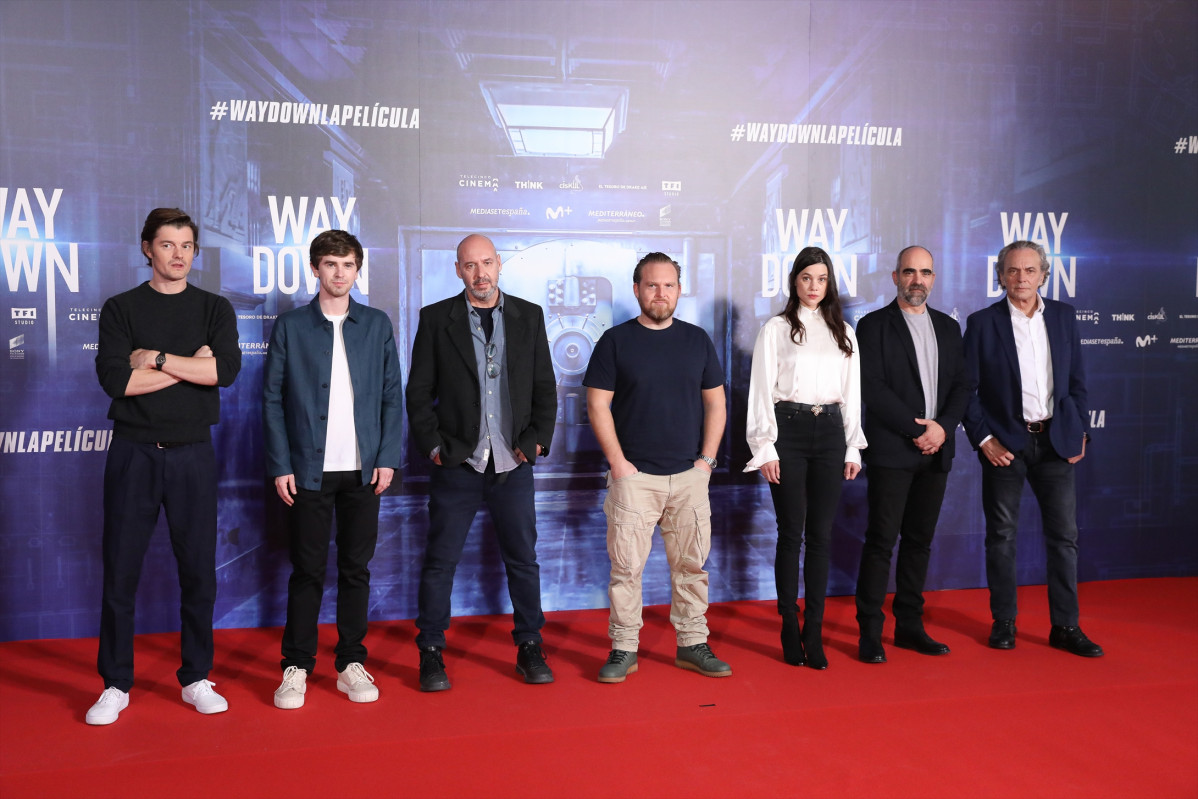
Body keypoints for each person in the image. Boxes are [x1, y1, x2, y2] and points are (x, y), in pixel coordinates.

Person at [88, 207, 241, 725]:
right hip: (133, 452)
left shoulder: (214, 307)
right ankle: (115, 683)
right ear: (147, 248)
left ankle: (196, 676)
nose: (178, 255)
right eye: (168, 244)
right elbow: (117, 382)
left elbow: (224, 372)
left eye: (186, 246)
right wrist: (191, 365)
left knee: (198, 571)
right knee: (120, 572)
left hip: (193, 453)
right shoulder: (121, 308)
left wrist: (154, 359)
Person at [406, 233, 557, 691]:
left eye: (487, 263)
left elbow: (545, 387)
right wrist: (435, 447)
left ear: (499, 264)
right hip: (459, 464)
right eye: (470, 265)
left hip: (513, 463)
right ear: (458, 270)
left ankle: (530, 645)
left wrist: (537, 442)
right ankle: (431, 651)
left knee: (523, 561)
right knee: (440, 562)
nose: (480, 274)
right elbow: (418, 393)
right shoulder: (436, 319)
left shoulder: (529, 316)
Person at [263, 229, 402, 709]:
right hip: (308, 470)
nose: (339, 273)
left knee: (355, 569)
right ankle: (297, 666)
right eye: (330, 264)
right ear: (315, 269)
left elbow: (391, 395)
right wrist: (281, 463)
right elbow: (272, 399)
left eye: (347, 265)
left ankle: (350, 663)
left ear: (357, 270)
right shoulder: (291, 326)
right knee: (306, 570)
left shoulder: (377, 324)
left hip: (363, 471)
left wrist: (387, 457)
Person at [584, 252, 729, 683]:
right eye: (652, 285)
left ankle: (692, 644)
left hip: (689, 477)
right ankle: (623, 648)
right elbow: (597, 404)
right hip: (634, 479)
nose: (660, 293)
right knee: (626, 570)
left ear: (679, 290)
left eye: (668, 285)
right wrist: (618, 464)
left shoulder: (697, 340)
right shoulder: (615, 341)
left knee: (691, 567)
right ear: (637, 290)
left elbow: (716, 403)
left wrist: (706, 463)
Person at [963, 240, 1102, 657]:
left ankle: (1066, 626)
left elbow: (1077, 382)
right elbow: (966, 390)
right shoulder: (982, 323)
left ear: (1043, 275)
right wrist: (984, 439)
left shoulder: (1063, 316)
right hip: (1006, 445)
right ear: (1000, 276)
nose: (1020, 278)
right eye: (1012, 270)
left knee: (1064, 538)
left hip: (1056, 443)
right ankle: (1004, 621)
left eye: (1029, 270)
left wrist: (1078, 431)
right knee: (1001, 536)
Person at [745, 246, 865, 670]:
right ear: (794, 281)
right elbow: (760, 390)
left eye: (822, 279)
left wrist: (853, 446)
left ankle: (813, 631)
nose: (814, 286)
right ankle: (787, 626)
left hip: (831, 432)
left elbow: (852, 393)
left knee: (821, 536)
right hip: (788, 430)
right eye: (806, 278)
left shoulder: (843, 332)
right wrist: (765, 447)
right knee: (790, 532)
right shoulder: (776, 329)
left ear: (829, 284)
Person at [853, 246, 969, 664]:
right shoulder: (872, 326)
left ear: (933, 278)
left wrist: (943, 428)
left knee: (920, 542)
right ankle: (870, 632)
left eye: (925, 272)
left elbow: (963, 385)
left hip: (937, 450)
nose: (917, 280)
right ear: (895, 277)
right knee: (881, 542)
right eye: (909, 272)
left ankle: (909, 627)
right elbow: (873, 387)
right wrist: (918, 429)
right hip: (893, 451)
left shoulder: (949, 328)